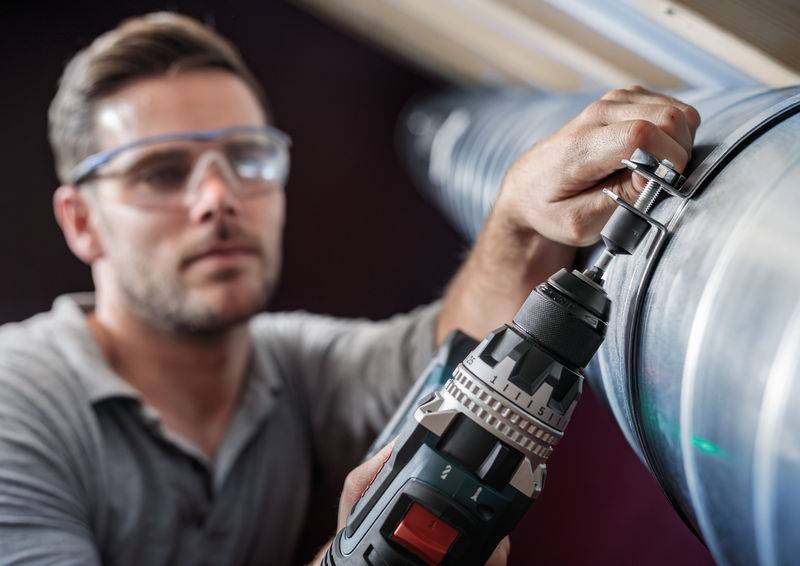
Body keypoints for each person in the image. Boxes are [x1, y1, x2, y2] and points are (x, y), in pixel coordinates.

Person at [0, 11, 700, 566]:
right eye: (160, 173)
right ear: (82, 221)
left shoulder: (284, 368)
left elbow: (449, 358)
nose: (218, 196)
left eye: (247, 158)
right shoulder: (17, 407)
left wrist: (518, 221)